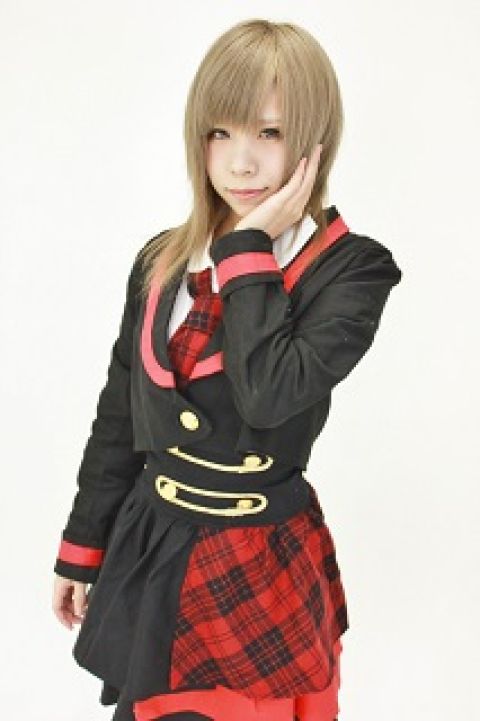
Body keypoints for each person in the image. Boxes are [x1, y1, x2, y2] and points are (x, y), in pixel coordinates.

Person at [52, 17, 402, 721]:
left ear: (315, 139)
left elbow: (268, 393)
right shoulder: (162, 259)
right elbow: (120, 413)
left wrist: (246, 247)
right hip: (153, 545)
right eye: (221, 132)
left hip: (258, 562)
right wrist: (82, 546)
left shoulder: (352, 270)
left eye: (269, 133)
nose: (240, 163)